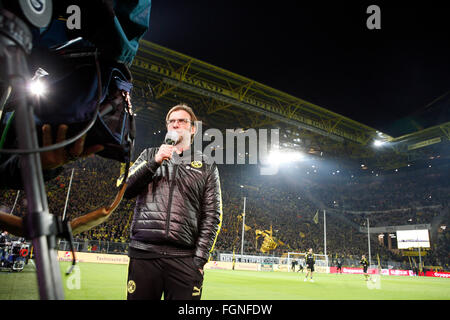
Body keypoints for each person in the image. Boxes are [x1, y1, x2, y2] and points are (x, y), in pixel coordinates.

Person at [123, 103, 223, 300]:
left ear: (193, 129)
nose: (176, 125)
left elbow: (212, 216)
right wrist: (155, 162)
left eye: (182, 121)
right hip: (144, 254)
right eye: (172, 121)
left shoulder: (206, 166)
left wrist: (199, 260)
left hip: (184, 260)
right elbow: (124, 189)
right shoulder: (149, 155)